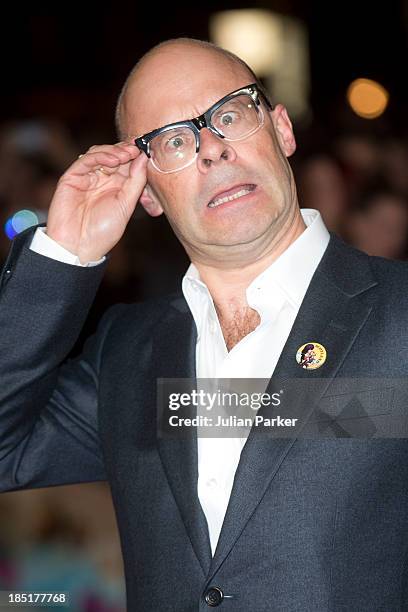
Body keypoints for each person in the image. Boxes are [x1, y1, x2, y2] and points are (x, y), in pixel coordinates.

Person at [1, 37, 408, 611]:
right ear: (147, 195)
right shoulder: (128, 354)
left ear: (282, 131)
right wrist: (65, 255)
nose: (211, 149)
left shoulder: (398, 318)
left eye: (229, 115)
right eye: (174, 141)